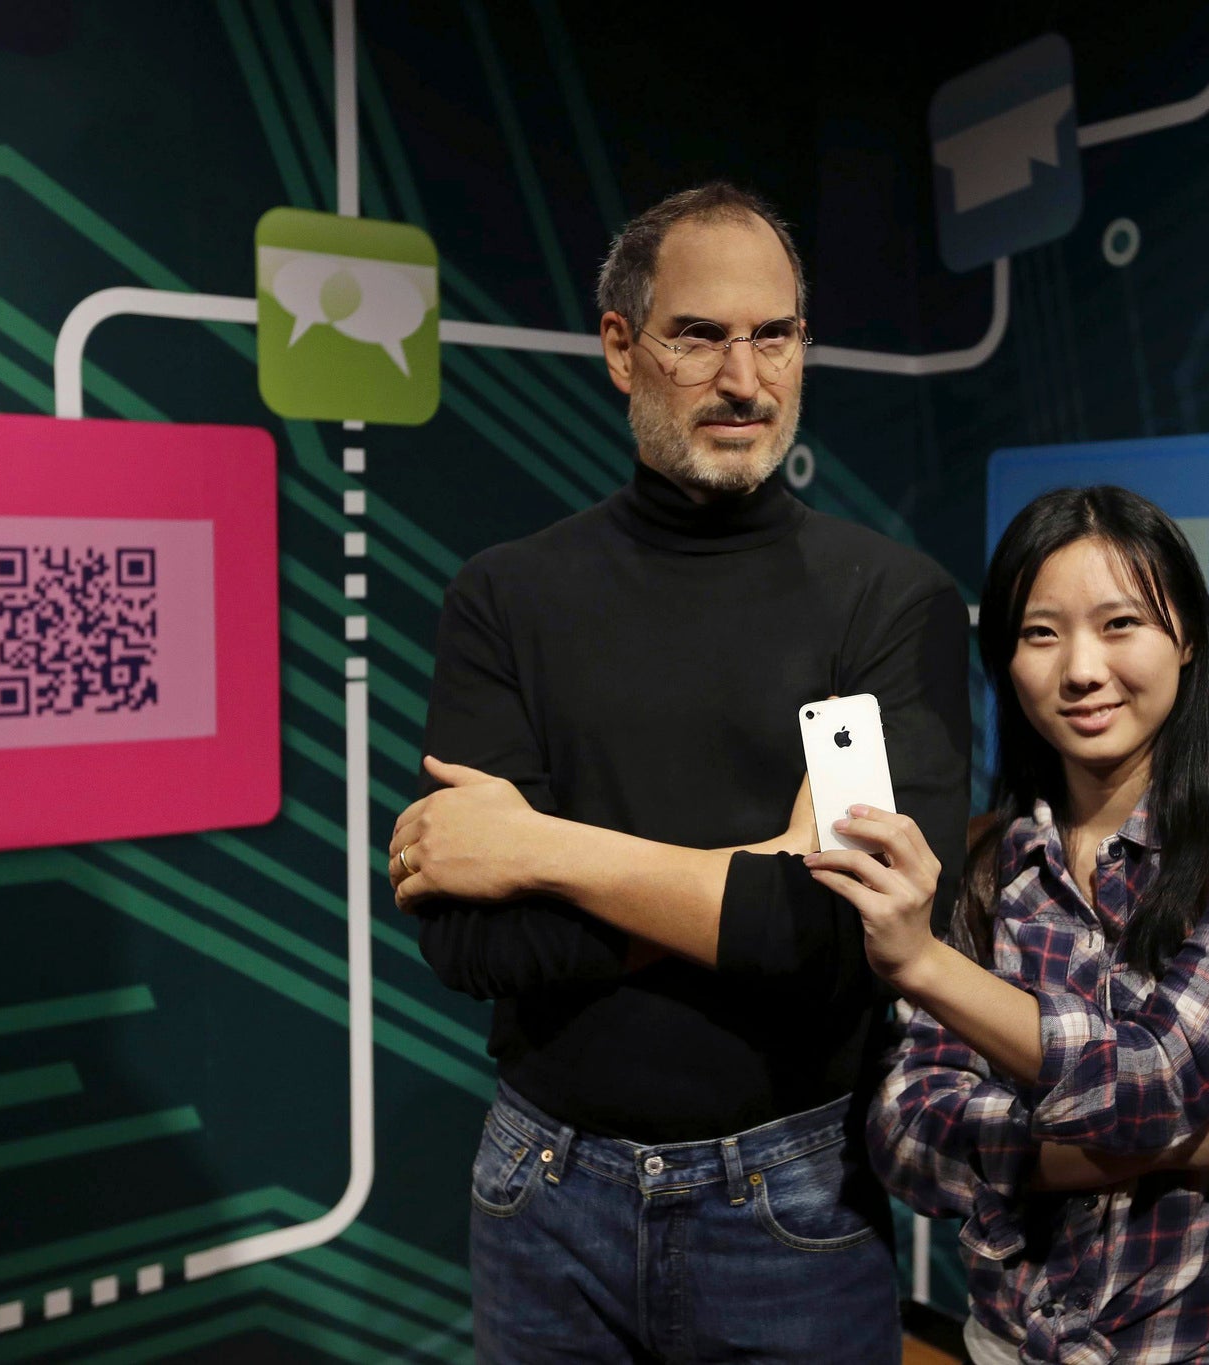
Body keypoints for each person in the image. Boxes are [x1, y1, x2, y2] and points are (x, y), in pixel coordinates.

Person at [385, 182, 973, 1362]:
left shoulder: (889, 602)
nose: (744, 380)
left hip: (789, 1204)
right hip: (539, 1195)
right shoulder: (505, 598)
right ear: (621, 349)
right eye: (699, 336)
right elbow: (471, 947)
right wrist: (751, 882)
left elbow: (835, 941)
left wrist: (540, 850)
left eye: (775, 335)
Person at [807, 486, 1209, 1363]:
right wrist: (1166, 1146)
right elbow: (906, 1138)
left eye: (1121, 623)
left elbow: (1158, 1075)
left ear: (1189, 639)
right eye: (1041, 633)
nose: (1082, 669)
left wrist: (927, 967)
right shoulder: (979, 868)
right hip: (1014, 1341)